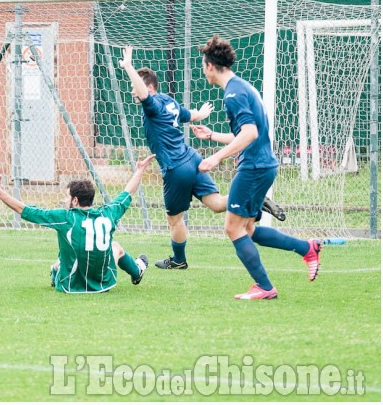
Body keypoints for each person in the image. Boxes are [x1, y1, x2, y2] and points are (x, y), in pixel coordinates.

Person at [118, 46, 285, 272]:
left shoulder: (153, 104)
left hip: (176, 168)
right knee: (216, 204)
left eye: (134, 88)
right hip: (193, 158)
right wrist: (202, 114)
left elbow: (145, 95)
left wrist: (128, 67)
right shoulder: (169, 101)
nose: (132, 92)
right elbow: (189, 115)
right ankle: (255, 197)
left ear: (148, 87)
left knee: (174, 220)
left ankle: (178, 260)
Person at [193, 34, 321, 300]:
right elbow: (247, 133)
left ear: (209, 66)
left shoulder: (233, 95)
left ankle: (265, 287)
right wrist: (213, 136)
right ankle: (306, 248)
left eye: (202, 66)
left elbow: (249, 133)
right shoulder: (243, 87)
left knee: (232, 228)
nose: (203, 71)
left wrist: (216, 158)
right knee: (247, 229)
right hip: (262, 164)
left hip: (253, 167)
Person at [0, 155, 157, 294]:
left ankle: (55, 271)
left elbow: (25, 210)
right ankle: (137, 271)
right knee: (115, 247)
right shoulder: (109, 213)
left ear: (75, 200)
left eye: (66, 197)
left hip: (69, 286)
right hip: (103, 285)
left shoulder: (65, 217)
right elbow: (128, 192)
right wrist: (139, 170)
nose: (64, 200)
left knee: (60, 260)